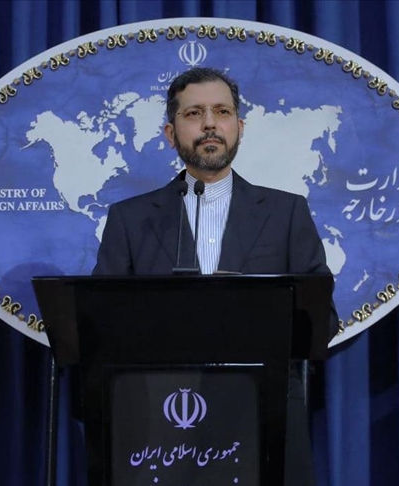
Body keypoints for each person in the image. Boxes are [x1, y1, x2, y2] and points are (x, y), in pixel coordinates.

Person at [93, 66, 336, 486]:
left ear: (239, 127)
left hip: (260, 415)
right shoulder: (131, 220)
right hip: (159, 422)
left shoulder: (286, 214)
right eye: (194, 113)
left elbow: (321, 321)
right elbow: (101, 323)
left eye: (222, 112)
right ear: (171, 134)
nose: (210, 124)